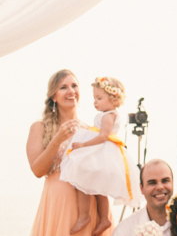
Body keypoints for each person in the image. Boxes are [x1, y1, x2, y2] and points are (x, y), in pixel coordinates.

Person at [27, 70, 113, 236]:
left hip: (90, 208)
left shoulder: (91, 131)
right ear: (53, 96)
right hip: (58, 206)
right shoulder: (39, 127)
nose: (71, 91)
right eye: (63, 87)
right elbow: (37, 170)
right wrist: (57, 140)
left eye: (74, 85)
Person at [61, 76, 141, 234]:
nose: (95, 102)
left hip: (101, 150)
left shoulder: (108, 116)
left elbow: (103, 136)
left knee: (81, 178)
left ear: (113, 98)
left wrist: (83, 145)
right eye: (94, 98)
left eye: (99, 98)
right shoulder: (108, 114)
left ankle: (85, 215)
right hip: (102, 151)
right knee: (97, 188)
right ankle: (104, 218)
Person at [114, 160, 177, 236]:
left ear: (172, 183)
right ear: (141, 188)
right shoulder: (125, 230)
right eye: (152, 183)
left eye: (165, 181)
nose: (160, 187)